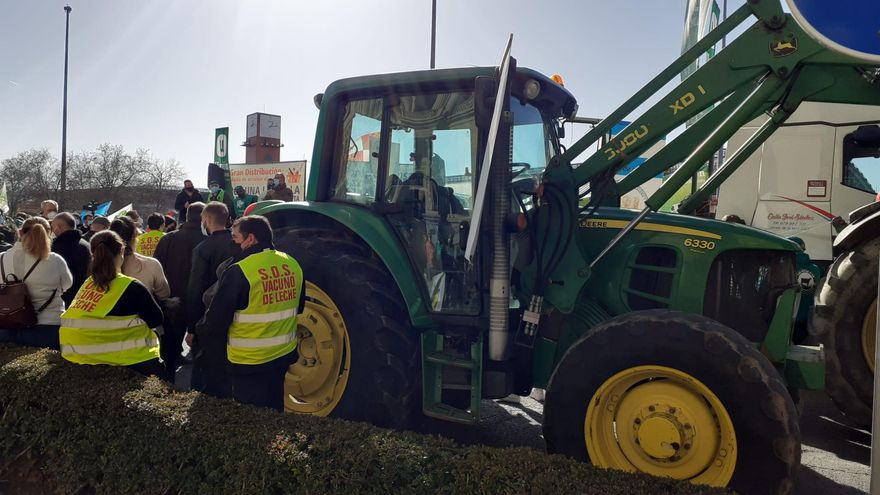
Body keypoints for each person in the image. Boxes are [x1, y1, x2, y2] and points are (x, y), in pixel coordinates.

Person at [197, 216, 303, 411]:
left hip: (249, 361)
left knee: (250, 417)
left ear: (251, 239)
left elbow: (216, 322)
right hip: (282, 356)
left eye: (235, 237)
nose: (232, 242)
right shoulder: (292, 264)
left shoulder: (240, 271)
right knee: (274, 409)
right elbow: (299, 307)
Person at [58, 230, 165, 377]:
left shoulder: (88, 283)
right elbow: (156, 319)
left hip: (79, 357)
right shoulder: (131, 286)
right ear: (121, 252)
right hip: (130, 360)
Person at [187, 201, 238, 396]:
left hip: (207, 318)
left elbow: (195, 289)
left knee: (204, 374)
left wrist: (191, 328)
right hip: (233, 316)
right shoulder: (238, 245)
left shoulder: (203, 249)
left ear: (207, 219)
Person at [0, 217, 72, 349]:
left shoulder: (2, 258)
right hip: (48, 326)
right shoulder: (56, 260)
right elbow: (67, 285)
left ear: (20, 233)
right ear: (49, 234)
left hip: (7, 324)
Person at [153, 202, 206, 374]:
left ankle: (169, 370)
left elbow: (157, 267)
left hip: (171, 298)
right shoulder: (207, 240)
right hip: (199, 300)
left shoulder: (167, 238)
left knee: (170, 341)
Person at [110, 216, 171, 300]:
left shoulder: (99, 263)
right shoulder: (152, 264)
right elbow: (164, 295)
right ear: (135, 237)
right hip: (142, 310)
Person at [50, 212, 91, 308]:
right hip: (84, 297)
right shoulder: (85, 244)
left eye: (53, 227)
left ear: (58, 227)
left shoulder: (56, 247)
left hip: (64, 299)